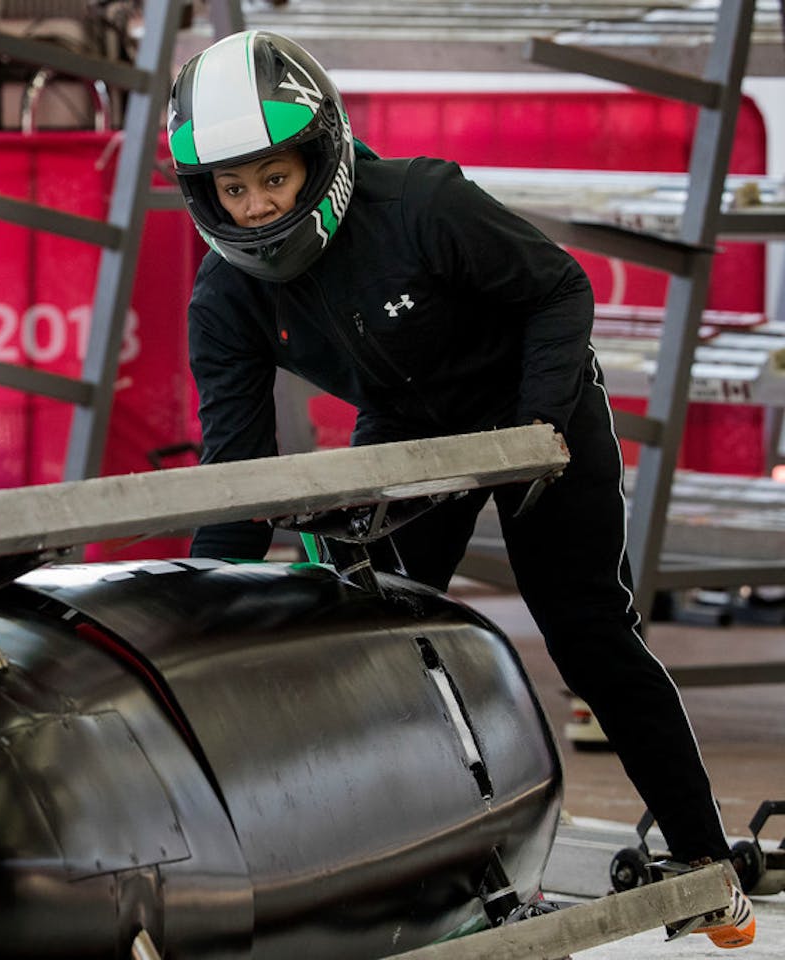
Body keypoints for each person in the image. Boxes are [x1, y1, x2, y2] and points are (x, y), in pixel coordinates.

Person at [168, 30, 755, 949]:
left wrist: (535, 434)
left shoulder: (424, 203)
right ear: (204, 196)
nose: (258, 206)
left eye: (274, 178)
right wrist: (193, 619)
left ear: (319, 159)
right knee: (370, 645)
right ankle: (417, 875)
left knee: (590, 633)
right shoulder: (223, 300)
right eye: (234, 191)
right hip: (405, 433)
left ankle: (705, 859)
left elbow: (561, 290)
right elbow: (238, 474)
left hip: (534, 406)